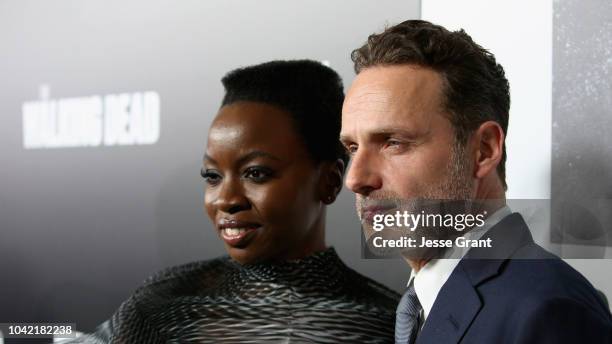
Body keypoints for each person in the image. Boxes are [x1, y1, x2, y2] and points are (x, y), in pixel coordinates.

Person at [69, 60, 399, 343]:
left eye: (256, 174)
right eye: (212, 176)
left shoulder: (387, 322)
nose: (226, 199)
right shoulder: (164, 301)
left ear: (329, 181)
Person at [340, 20, 612, 343]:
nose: (355, 179)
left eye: (393, 142)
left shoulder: (549, 311)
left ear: (483, 151)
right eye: (353, 148)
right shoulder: (423, 301)